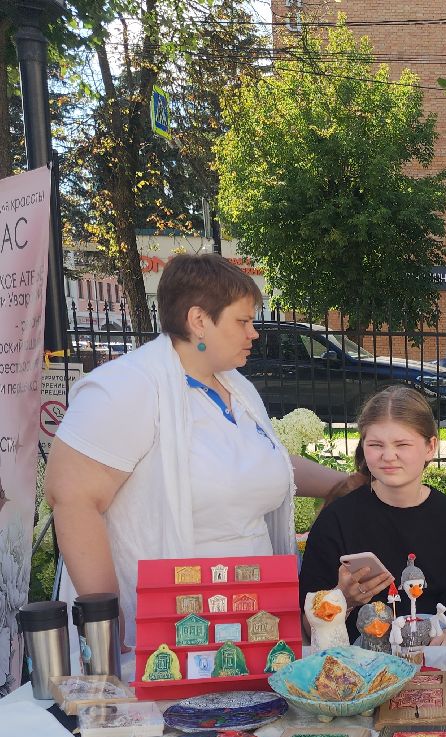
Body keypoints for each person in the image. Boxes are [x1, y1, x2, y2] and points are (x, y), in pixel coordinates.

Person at [45, 253, 358, 647]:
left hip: (252, 617)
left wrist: (344, 484)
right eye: (242, 321)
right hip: (164, 630)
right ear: (198, 321)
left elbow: (263, 464)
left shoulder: (236, 388)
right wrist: (109, 627)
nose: (254, 333)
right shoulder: (126, 388)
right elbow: (72, 498)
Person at [299, 385, 446, 642]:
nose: (388, 456)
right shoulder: (336, 521)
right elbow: (307, 626)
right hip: (353, 669)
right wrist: (343, 598)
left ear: (430, 447)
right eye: (375, 444)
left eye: (402, 444)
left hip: (432, 665)